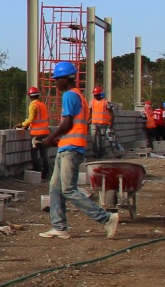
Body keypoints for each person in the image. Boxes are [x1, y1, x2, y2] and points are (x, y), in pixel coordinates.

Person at [37, 61, 118, 240]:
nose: (56, 83)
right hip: (67, 147)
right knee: (55, 188)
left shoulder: (69, 95)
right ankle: (59, 227)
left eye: (57, 79)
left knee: (68, 189)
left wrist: (50, 138)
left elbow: (67, 123)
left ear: (66, 79)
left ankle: (106, 218)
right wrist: (57, 140)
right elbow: (74, 126)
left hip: (71, 149)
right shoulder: (79, 96)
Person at [22, 85, 50, 180]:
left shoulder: (33, 105)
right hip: (45, 132)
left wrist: (22, 124)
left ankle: (37, 172)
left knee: (34, 153)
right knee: (44, 154)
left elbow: (31, 118)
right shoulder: (43, 105)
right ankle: (46, 173)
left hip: (36, 134)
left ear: (30, 96)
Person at [88, 86, 121, 156]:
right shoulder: (92, 102)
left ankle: (101, 153)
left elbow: (111, 113)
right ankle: (95, 153)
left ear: (100, 94)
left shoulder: (106, 102)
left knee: (102, 140)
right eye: (94, 95)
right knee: (93, 139)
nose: (95, 96)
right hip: (94, 123)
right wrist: (87, 122)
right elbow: (90, 113)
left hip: (103, 124)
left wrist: (111, 124)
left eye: (97, 95)